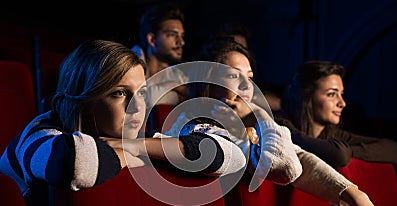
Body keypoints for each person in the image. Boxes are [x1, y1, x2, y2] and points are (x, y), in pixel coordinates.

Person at [163, 36, 393, 206]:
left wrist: (359, 197)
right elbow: (286, 166)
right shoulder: (195, 130)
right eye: (234, 76)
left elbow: (300, 155)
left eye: (250, 78)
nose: (246, 87)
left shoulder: (241, 126)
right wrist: (261, 113)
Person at [0, 39, 247, 197]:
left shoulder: (124, 138)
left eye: (142, 93)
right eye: (119, 93)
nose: (137, 106)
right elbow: (77, 164)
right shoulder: (39, 133)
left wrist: (135, 146)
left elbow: (234, 156)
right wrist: (151, 155)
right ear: (84, 100)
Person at [276, 60, 397, 169]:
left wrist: (349, 151)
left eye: (341, 94)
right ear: (306, 96)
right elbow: (339, 156)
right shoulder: (281, 128)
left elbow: (395, 149)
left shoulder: (332, 134)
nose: (342, 103)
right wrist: (340, 150)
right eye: (332, 94)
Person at [131, 2, 189, 107]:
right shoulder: (128, 64)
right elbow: (139, 99)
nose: (181, 42)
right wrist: (174, 91)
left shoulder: (178, 77)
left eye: (182, 36)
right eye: (172, 35)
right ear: (152, 40)